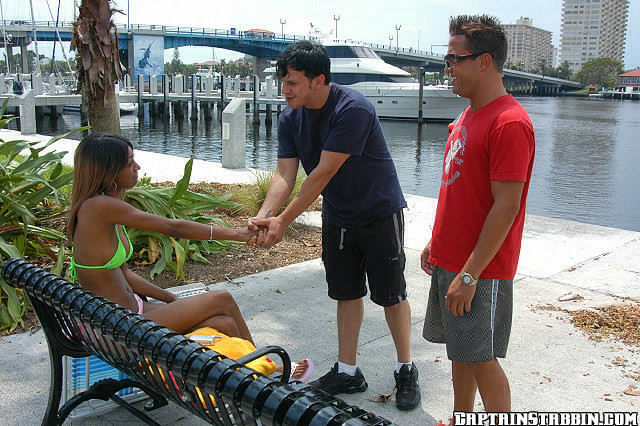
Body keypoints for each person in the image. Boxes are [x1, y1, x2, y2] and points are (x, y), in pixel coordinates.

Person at [248, 40, 421, 410]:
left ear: (319, 80)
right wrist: (266, 215)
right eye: (283, 81)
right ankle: (348, 370)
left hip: (378, 211)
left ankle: (405, 367)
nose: (285, 90)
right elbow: (284, 173)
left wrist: (284, 221)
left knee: (391, 294)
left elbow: (322, 173)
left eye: (293, 82)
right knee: (345, 292)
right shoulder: (290, 116)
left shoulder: (352, 108)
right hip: (338, 216)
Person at [67, 132, 311, 380]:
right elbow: (174, 228)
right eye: (130, 162)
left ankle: (249, 379)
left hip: (132, 315)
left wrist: (170, 298)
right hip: (120, 331)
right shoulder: (99, 207)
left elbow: (124, 273)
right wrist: (238, 234)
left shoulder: (100, 205)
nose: (137, 167)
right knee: (222, 299)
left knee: (224, 324)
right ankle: (267, 368)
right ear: (108, 170)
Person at [420, 15, 535, 421]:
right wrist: (438, 240)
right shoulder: (469, 115)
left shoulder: (510, 123)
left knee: (481, 358)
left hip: (480, 270)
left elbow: (507, 208)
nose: (448, 68)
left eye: (455, 59)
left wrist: (469, 275)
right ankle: (461, 416)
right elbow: (461, 190)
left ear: (483, 61)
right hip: (453, 260)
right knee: (461, 352)